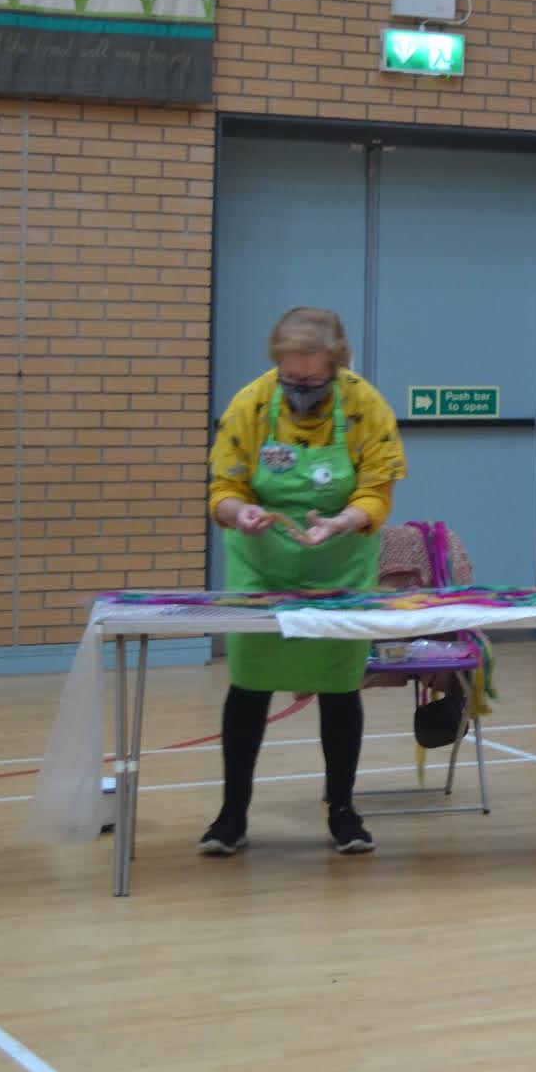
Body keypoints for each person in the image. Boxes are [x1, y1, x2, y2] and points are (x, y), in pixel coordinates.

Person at [200, 307, 408, 857]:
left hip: (340, 566)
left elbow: (377, 491)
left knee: (339, 687)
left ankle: (343, 811)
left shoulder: (365, 407)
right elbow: (224, 488)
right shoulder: (251, 404)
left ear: (337, 366)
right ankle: (231, 816)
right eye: (290, 378)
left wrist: (345, 520)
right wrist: (239, 512)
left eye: (313, 381)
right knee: (249, 685)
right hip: (261, 568)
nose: (300, 390)